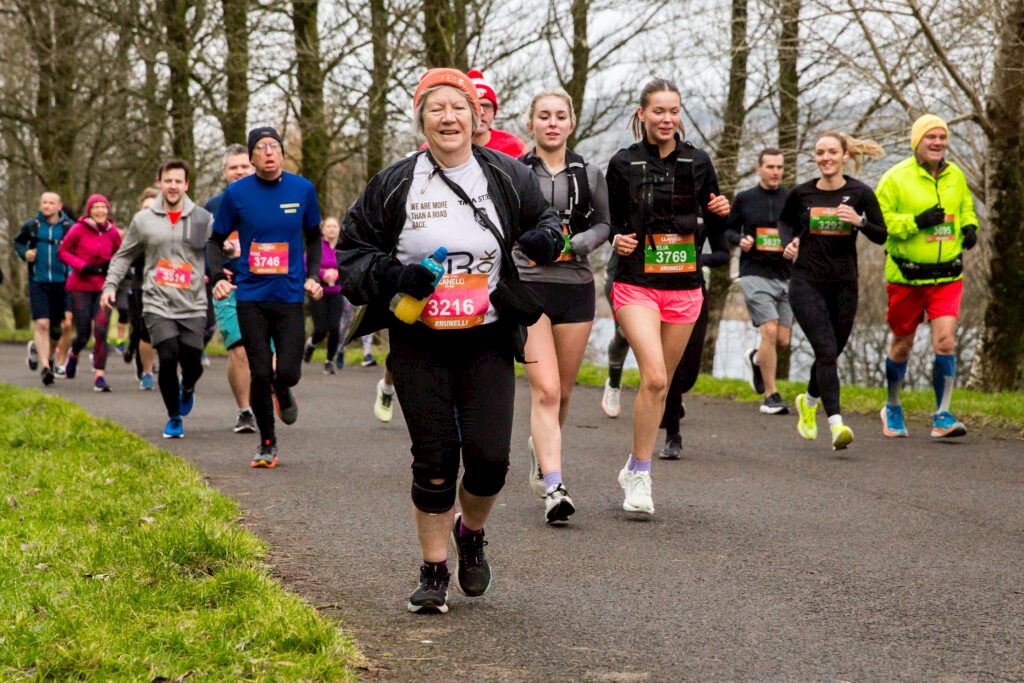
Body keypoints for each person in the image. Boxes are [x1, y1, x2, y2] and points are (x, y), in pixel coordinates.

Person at [339, 68, 562, 614]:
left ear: (476, 116)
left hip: (486, 336)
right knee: (435, 459)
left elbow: (549, 222)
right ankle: (434, 570)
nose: (448, 118)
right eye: (435, 108)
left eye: (458, 107)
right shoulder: (396, 183)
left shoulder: (506, 175)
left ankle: (471, 533)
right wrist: (396, 275)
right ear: (421, 120)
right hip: (420, 338)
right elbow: (352, 254)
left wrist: (543, 239)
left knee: (489, 461)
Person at [606, 78, 730, 515]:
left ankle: (632, 465)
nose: (666, 118)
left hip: (684, 287)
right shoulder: (623, 164)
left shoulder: (699, 161)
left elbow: (717, 228)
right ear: (642, 114)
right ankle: (642, 474)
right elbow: (611, 223)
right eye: (658, 111)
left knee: (662, 384)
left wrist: (721, 212)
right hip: (636, 283)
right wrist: (617, 239)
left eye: (673, 111)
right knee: (656, 377)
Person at [517, 87, 610, 523]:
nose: (551, 123)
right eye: (544, 116)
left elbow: (606, 223)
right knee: (547, 390)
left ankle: (541, 450)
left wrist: (584, 241)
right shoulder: (515, 171)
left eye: (559, 116)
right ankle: (555, 486)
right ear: (531, 123)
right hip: (529, 285)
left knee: (565, 393)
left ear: (571, 123)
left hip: (575, 287)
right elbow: (500, 221)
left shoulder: (589, 173)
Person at [208, 127, 324, 468]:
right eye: (261, 147)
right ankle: (267, 443)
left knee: (288, 372)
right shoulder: (236, 193)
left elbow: (315, 237)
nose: (269, 152)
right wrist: (218, 277)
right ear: (252, 156)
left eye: (274, 146)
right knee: (259, 372)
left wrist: (313, 276)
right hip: (251, 297)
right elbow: (214, 241)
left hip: (289, 295)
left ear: (282, 153)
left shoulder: (302, 189)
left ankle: (282, 388)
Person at [780, 131, 887, 450]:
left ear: (844, 156)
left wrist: (859, 221)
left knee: (832, 351)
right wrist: (789, 242)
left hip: (844, 285)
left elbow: (882, 234)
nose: (825, 158)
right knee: (826, 351)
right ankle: (836, 424)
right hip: (806, 282)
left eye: (831, 152)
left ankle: (809, 402)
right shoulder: (802, 193)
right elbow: (784, 222)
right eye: (820, 153)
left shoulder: (860, 192)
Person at [875, 114, 979, 439]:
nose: (937, 142)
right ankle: (892, 405)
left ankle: (942, 415)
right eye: (930, 137)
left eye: (941, 137)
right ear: (917, 141)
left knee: (945, 342)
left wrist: (970, 226)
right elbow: (881, 223)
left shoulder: (955, 176)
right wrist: (917, 222)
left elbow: (964, 207)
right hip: (907, 276)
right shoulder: (894, 178)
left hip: (947, 275)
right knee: (902, 345)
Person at [102, 160, 213, 438]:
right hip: (156, 301)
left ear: (186, 185)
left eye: (178, 181)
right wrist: (110, 285)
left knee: (192, 362)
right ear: (159, 183)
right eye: (168, 181)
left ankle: (188, 386)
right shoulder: (144, 220)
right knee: (168, 355)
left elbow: (218, 249)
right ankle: (174, 417)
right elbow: (124, 255)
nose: (173, 186)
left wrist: (230, 258)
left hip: (193, 302)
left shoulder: (201, 218)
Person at [726, 148, 792, 414]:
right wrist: (740, 240)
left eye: (779, 167)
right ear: (759, 169)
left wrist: (796, 243)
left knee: (782, 340)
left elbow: (801, 230)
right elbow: (728, 230)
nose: (775, 172)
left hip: (786, 274)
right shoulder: (745, 198)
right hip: (754, 272)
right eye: (770, 167)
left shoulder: (791, 198)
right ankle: (771, 395)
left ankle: (756, 359)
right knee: (770, 331)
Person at [205, 144, 257, 433]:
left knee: (266, 354)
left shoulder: (268, 200)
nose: (239, 172)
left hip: (264, 284)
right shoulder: (212, 207)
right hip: (228, 287)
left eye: (244, 166)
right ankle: (245, 411)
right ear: (224, 172)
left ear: (253, 167)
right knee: (238, 349)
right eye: (233, 167)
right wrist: (213, 270)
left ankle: (271, 391)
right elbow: (200, 246)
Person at [58, 194, 123, 391]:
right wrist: (82, 266)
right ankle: (74, 354)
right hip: (81, 286)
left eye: (104, 207)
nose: (100, 211)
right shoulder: (78, 229)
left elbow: (121, 256)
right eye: (96, 207)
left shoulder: (113, 233)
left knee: (101, 330)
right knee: (83, 334)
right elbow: (63, 252)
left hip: (105, 288)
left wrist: (111, 266)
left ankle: (99, 376)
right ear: (89, 211)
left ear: (108, 210)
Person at [14, 191, 74, 386]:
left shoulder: (69, 227)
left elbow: (79, 248)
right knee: (42, 324)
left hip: (62, 282)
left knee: (57, 330)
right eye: (44, 202)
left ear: (59, 206)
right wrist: (25, 253)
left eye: (51, 203)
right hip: (38, 281)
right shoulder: (32, 226)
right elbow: (18, 242)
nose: (47, 206)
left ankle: (40, 352)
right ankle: (46, 367)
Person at [126, 187, 159, 390]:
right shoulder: (136, 232)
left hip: (168, 285)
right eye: (146, 208)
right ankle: (146, 371)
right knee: (143, 330)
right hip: (140, 285)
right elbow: (127, 258)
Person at [303, 216, 345, 375]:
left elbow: (349, 266)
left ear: (339, 229)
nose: (332, 229)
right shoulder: (318, 246)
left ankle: (329, 361)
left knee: (335, 327)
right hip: (318, 292)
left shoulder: (343, 247)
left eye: (335, 226)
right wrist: (323, 273)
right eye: (329, 226)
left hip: (336, 293)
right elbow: (306, 265)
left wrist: (337, 273)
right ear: (323, 229)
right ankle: (312, 344)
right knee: (321, 329)